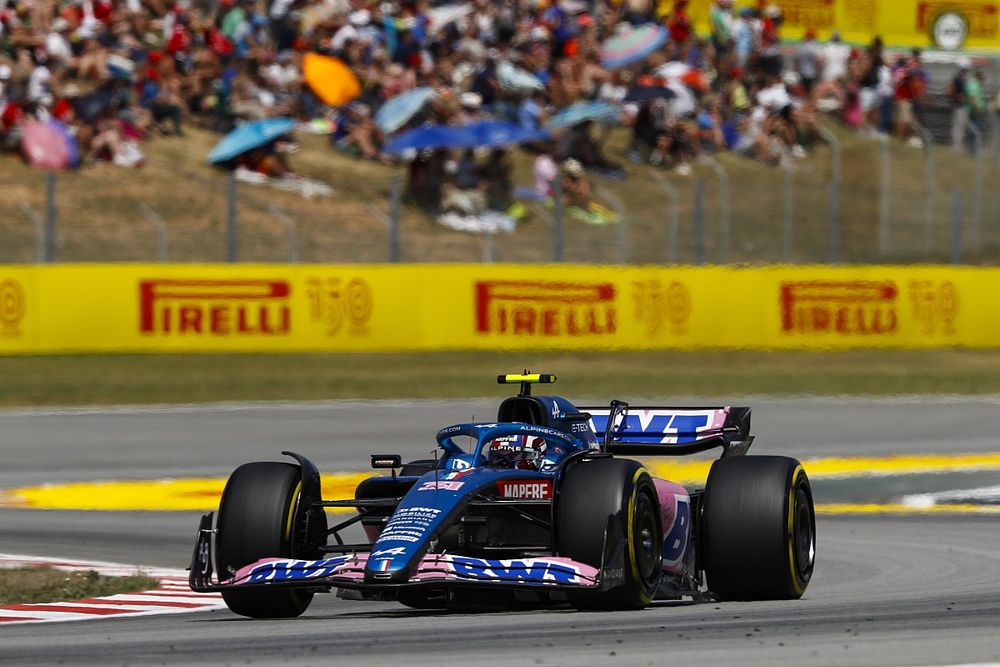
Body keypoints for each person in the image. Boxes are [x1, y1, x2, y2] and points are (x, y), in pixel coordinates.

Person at [949, 57, 971, 152]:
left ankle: (957, 146)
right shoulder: (960, 78)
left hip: (958, 105)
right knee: (959, 127)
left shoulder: (957, 77)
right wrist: (961, 99)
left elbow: (952, 90)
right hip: (960, 106)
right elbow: (960, 93)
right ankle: (957, 147)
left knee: (958, 127)